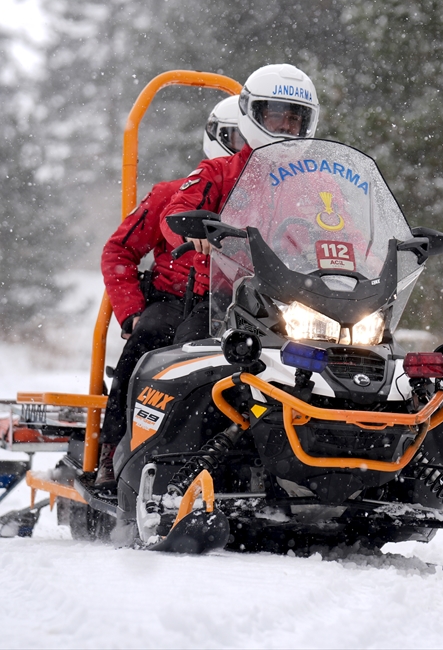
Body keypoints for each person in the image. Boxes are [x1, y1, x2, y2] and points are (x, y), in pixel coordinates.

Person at [94, 95, 245, 486]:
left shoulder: (271, 204)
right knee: (151, 341)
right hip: (176, 299)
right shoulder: (172, 195)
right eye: (234, 137)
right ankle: (116, 447)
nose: (242, 146)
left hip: (247, 305)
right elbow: (118, 250)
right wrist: (131, 312)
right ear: (216, 137)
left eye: (249, 138)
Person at [160, 63, 319, 344]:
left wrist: (375, 259)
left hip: (299, 301)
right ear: (253, 113)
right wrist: (192, 231)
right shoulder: (218, 171)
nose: (285, 125)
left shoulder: (317, 184)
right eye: (275, 116)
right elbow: (176, 212)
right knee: (189, 359)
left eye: (294, 119)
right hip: (222, 300)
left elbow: (345, 228)